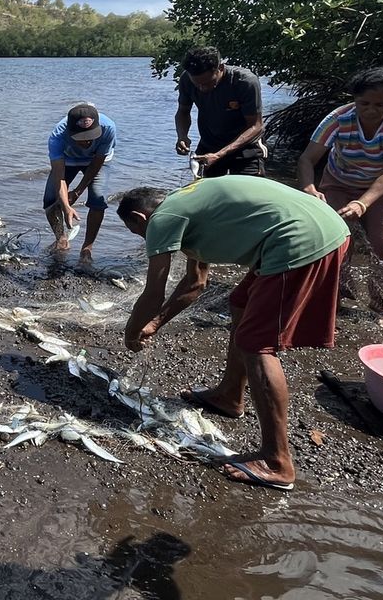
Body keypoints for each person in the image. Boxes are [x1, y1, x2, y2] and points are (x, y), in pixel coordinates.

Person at [117, 177, 350, 491]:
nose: (145, 240)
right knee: (240, 303)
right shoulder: (189, 205)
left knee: (257, 344)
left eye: (138, 234)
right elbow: (194, 284)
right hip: (318, 226)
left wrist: (131, 332)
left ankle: (277, 460)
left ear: (139, 218)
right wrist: (155, 324)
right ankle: (229, 395)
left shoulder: (163, 220)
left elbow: (153, 292)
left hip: (300, 239)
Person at [297, 66, 383, 327]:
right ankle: (336, 295)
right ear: (354, 99)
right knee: (337, 239)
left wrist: (363, 203)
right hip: (339, 182)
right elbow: (308, 159)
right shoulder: (339, 118)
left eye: (380, 104)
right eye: (364, 103)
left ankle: (381, 306)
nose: (371, 110)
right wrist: (309, 188)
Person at [174, 46, 266, 177]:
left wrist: (220, 154)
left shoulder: (244, 82)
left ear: (220, 68)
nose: (202, 88)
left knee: (246, 195)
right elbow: (183, 111)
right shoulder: (186, 79)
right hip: (210, 146)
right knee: (206, 194)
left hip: (246, 148)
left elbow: (256, 126)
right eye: (197, 84)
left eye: (207, 83)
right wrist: (182, 135)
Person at [43, 103, 116, 262]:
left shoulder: (109, 128)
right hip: (68, 160)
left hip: (97, 160)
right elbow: (59, 176)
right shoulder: (57, 136)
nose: (87, 142)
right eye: (81, 138)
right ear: (70, 132)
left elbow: (97, 162)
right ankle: (61, 239)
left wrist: (77, 191)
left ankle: (87, 248)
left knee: (97, 198)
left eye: (91, 136)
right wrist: (66, 206)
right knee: (50, 199)